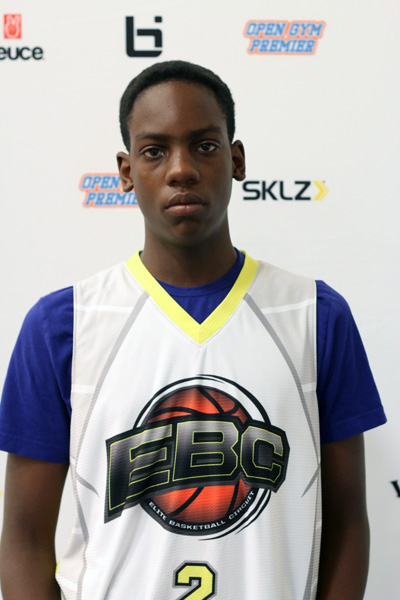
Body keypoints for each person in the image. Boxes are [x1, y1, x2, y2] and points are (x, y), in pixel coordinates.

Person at [0, 60, 386, 600]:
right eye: (154, 151)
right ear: (126, 171)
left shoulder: (315, 315)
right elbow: (22, 538)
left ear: (236, 159)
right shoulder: (63, 325)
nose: (181, 169)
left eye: (204, 146)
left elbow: (348, 523)